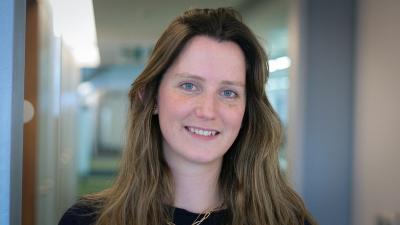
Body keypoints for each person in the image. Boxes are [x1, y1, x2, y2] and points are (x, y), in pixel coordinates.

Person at [59, 7, 316, 225]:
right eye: (189, 86)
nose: (207, 111)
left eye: (228, 92)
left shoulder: (288, 219)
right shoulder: (86, 221)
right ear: (151, 97)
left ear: (247, 110)